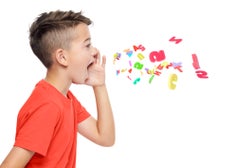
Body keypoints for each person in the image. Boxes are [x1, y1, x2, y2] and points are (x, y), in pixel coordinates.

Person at [0, 10, 115, 168]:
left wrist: (99, 85)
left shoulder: (66, 98)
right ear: (62, 57)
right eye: (87, 45)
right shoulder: (48, 106)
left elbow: (105, 137)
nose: (94, 51)